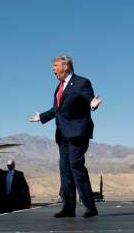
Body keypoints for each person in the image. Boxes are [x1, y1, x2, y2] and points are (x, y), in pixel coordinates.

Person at [30, 56, 102, 218]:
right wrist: (41, 117)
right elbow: (57, 110)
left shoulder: (81, 82)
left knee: (75, 165)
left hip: (77, 132)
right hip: (62, 135)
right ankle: (69, 208)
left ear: (66, 67)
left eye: (55, 66)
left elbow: (88, 98)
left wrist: (92, 104)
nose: (52, 69)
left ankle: (90, 207)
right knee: (65, 170)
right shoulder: (59, 87)